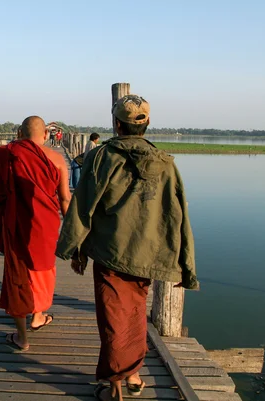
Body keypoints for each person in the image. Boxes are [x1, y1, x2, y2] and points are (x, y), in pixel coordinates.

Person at [56, 94, 199, 401]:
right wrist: (186, 265)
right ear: (146, 124)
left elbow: (83, 208)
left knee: (112, 318)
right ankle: (133, 374)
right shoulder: (165, 163)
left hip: (111, 252)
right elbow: (179, 217)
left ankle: (115, 385)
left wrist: (71, 247)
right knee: (134, 313)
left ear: (116, 124)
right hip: (147, 254)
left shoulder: (101, 157)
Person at [0, 116, 71, 352]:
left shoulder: (6, 155)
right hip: (46, 224)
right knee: (42, 268)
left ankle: (22, 337)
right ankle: (38, 314)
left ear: (18, 133)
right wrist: (71, 227)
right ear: (46, 135)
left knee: (17, 274)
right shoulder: (57, 159)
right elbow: (65, 198)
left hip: (15, 224)